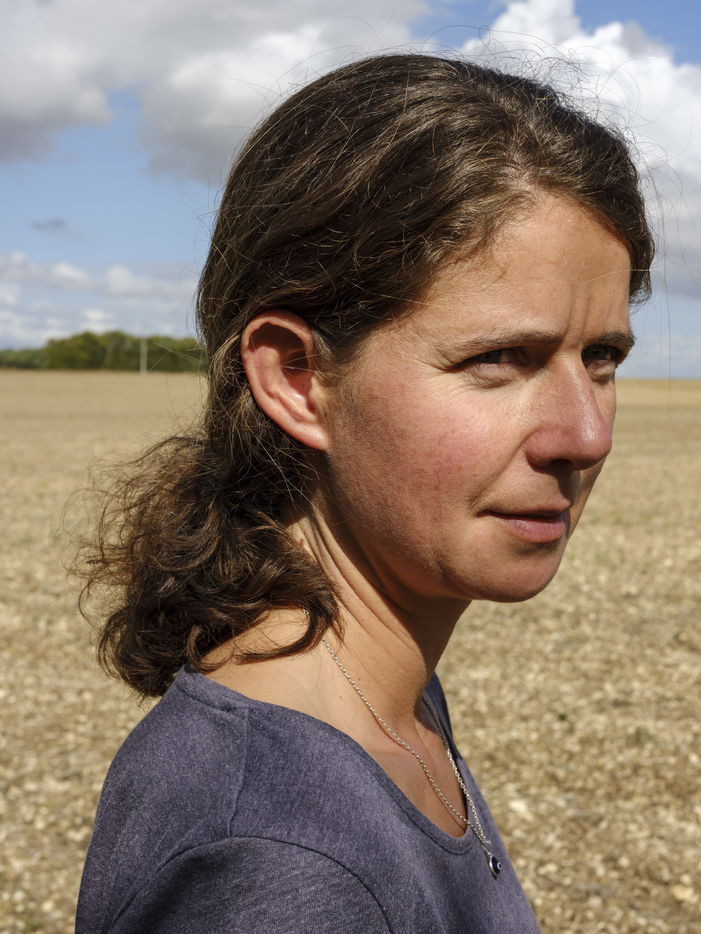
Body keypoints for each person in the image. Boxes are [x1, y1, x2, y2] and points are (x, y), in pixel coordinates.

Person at [75, 53, 653, 933]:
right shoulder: (275, 866)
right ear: (296, 378)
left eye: (601, 357)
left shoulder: (385, 703)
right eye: (500, 358)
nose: (585, 436)